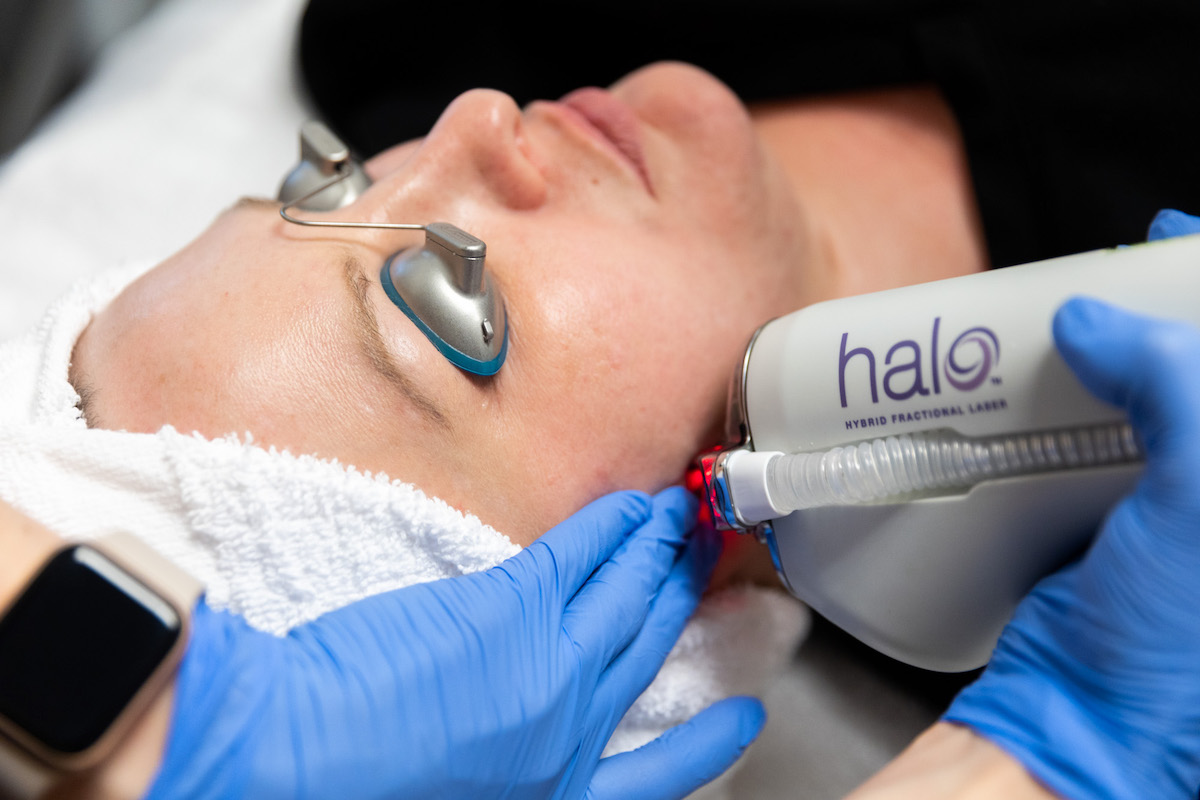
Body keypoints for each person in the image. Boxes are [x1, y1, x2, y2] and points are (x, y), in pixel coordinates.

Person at [2, 52, 1198, 798]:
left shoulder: (403, 31)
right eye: (459, 304)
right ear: (660, 622)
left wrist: (152, 733)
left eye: (331, 187)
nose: (473, 122)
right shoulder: (1136, 616)